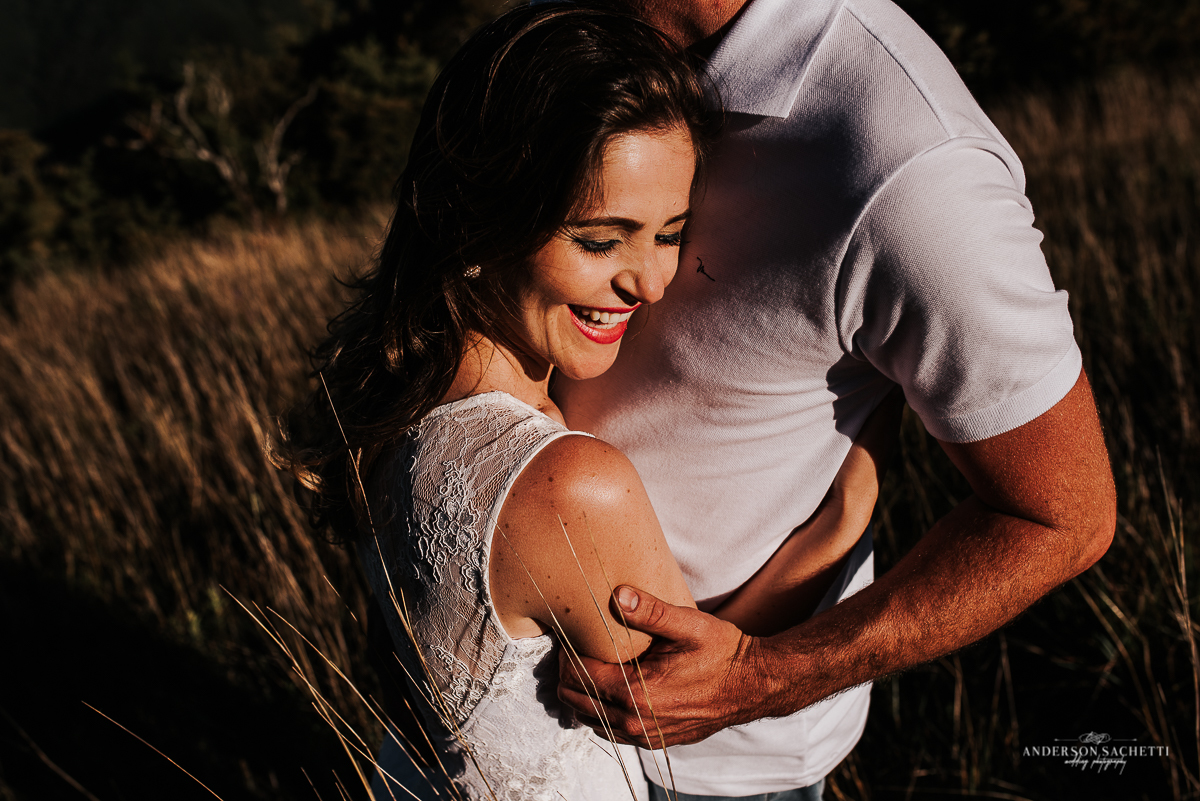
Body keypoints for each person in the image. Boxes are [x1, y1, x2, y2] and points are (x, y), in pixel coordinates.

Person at [276, 6, 895, 799]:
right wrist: (850, 505)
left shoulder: (387, 397)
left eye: (670, 230)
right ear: (482, 217)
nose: (652, 280)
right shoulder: (570, 486)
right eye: (601, 240)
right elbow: (701, 691)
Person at [552, 0, 1118, 798]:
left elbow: (1065, 515)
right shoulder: (556, 36)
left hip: (715, 768)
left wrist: (757, 679)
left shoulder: (910, 162)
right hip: (503, 711)